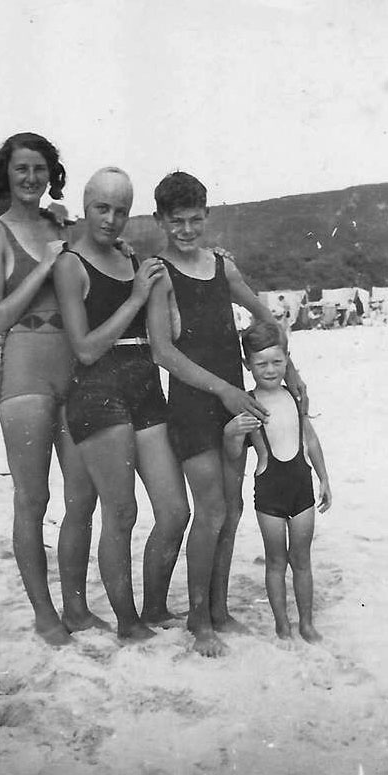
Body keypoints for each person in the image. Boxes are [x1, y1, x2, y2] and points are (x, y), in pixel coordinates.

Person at [147, 171, 308, 657]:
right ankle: (198, 620)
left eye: (196, 220)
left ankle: (218, 611)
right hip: (195, 405)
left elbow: (267, 318)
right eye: (177, 221)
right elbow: (162, 351)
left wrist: (291, 370)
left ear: (207, 216)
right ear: (160, 220)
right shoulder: (159, 274)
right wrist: (225, 390)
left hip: (234, 403)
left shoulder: (221, 266)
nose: (187, 230)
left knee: (233, 510)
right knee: (212, 509)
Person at [0, 133, 104, 647]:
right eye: (21, 168)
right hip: (25, 368)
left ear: (52, 174)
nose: (31, 178)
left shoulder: (62, 226)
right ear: (6, 174)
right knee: (33, 497)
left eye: (40, 168)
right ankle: (44, 613)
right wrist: (47, 265)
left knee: (83, 494)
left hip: (74, 366)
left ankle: (76, 607)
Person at [54, 167, 190, 641]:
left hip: (144, 383)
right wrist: (134, 298)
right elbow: (85, 348)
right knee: (121, 512)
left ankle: (154, 607)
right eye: (102, 208)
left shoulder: (131, 257)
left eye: (121, 210)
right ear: (85, 206)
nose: (111, 219)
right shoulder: (70, 265)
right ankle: (127, 623)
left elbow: (167, 330)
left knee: (175, 511)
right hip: (97, 389)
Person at [224, 321, 331, 642]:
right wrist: (231, 433)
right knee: (275, 562)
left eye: (277, 361)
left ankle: (306, 623)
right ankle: (282, 625)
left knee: (302, 560)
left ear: (287, 358)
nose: (270, 370)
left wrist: (324, 478)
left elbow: (311, 440)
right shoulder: (248, 403)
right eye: (261, 364)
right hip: (269, 493)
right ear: (248, 364)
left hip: (302, 490)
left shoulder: (295, 397)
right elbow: (233, 455)